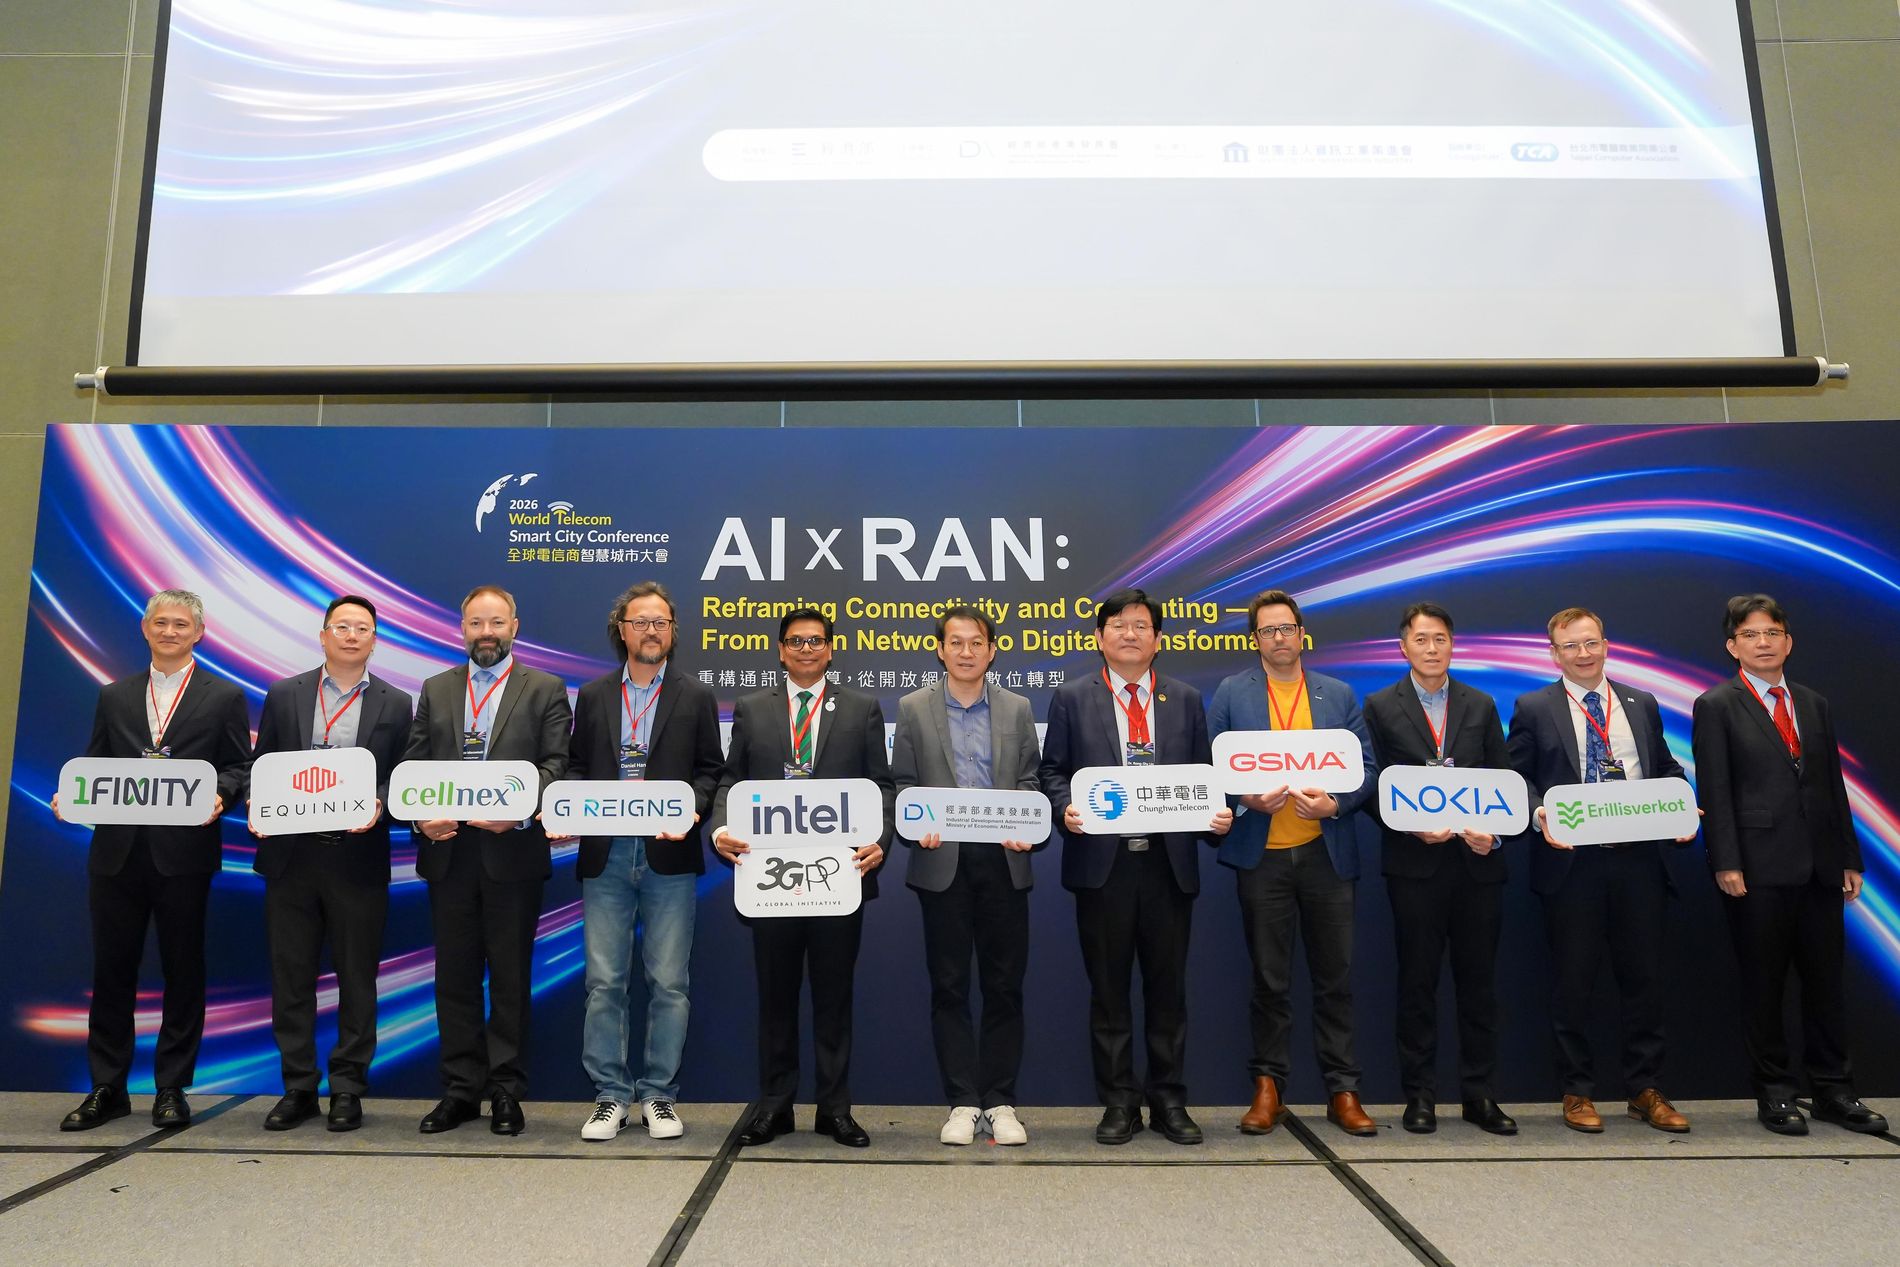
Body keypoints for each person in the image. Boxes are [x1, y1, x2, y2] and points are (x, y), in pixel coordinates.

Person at [1039, 587, 1232, 1146]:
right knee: (1109, 990)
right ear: (1099, 638)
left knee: (1168, 990)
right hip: (1104, 866)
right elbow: (1052, 772)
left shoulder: (1185, 699)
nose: (1130, 633)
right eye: (1118, 625)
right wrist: (1065, 809)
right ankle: (1119, 1101)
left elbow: (1203, 776)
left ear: (1157, 639)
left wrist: (1215, 815)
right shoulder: (1072, 697)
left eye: (1141, 625)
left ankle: (1169, 1100)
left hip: (1168, 865)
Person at [1692, 593, 1887, 1136]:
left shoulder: (1813, 702)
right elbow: (1715, 787)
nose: (1763, 643)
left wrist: (1848, 856)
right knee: (1764, 986)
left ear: (1789, 641)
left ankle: (1834, 1091)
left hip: (1821, 868)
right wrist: (1725, 859)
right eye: (1750, 635)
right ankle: (1775, 1092)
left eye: (1772, 633)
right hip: (1755, 868)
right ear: (1732, 646)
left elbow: (1831, 786)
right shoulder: (1716, 704)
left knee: (1826, 986)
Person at [58, 589, 251, 1131]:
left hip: (185, 855)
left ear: (199, 634)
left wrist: (223, 795)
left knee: (183, 971)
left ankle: (171, 1088)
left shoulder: (224, 696)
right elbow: (94, 765)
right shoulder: (114, 695)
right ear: (145, 629)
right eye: (161, 622)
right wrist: (70, 797)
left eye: (181, 625)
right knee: (111, 971)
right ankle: (107, 1087)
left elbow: (240, 766)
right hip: (116, 855)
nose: (170, 632)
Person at [710, 607, 895, 1148]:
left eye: (816, 641)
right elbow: (731, 781)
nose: (806, 649)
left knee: (834, 997)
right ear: (781, 651)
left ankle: (835, 1110)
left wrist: (880, 839)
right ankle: (775, 1107)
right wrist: (720, 828)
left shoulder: (861, 708)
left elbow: (882, 786)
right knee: (776, 997)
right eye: (796, 641)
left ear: (830, 650)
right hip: (770, 879)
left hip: (838, 879)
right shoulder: (752, 708)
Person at [1506, 606, 1693, 1134]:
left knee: (1644, 981)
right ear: (1554, 654)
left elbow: (1666, 768)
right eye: (1570, 646)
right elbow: (1517, 777)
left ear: (1606, 645)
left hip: (1639, 861)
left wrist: (1681, 806)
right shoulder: (1533, 707)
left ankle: (1645, 1089)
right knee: (1573, 983)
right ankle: (1577, 1090)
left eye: (1591, 643)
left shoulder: (1641, 702)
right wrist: (1540, 813)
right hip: (1572, 865)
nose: (1583, 654)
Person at [1207, 589, 1377, 1138]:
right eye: (1267, 630)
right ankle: (1268, 1088)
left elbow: (1368, 769)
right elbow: (1210, 767)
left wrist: (1336, 804)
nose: (1278, 638)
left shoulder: (1337, 694)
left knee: (1336, 979)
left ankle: (1343, 1089)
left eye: (1286, 628)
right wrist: (1244, 799)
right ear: (1254, 639)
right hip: (1263, 858)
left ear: (1302, 634)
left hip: (1328, 855)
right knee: (1269, 980)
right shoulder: (1232, 693)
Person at [405, 585, 572, 1136]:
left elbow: (556, 765)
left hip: (512, 854)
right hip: (448, 852)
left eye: (496, 622)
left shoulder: (544, 688)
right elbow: (414, 768)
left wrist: (518, 810)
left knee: (509, 978)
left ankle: (505, 1091)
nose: (486, 633)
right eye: (476, 623)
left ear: (514, 627)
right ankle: (459, 1091)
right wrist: (420, 819)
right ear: (462, 629)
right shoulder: (436, 688)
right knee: (453, 978)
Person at [567, 582, 723, 1142]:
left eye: (661, 622)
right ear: (622, 630)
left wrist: (693, 810)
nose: (651, 631)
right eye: (640, 622)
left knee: (669, 983)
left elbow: (711, 771)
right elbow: (576, 769)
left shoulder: (696, 696)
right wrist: (566, 805)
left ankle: (659, 1094)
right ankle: (610, 1095)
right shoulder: (593, 696)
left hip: (669, 855)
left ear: (672, 632)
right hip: (606, 854)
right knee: (604, 983)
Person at [250, 596, 412, 1132]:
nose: (351, 635)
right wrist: (257, 801)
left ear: (374, 640)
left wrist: (381, 802)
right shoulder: (285, 693)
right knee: (291, 979)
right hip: (291, 856)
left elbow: (401, 774)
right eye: (342, 626)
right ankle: (298, 1086)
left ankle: (347, 1087)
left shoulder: (397, 702)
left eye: (362, 628)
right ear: (323, 635)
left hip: (357, 858)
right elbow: (263, 764)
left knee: (357, 980)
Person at [1362, 601, 1516, 1136]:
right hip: (1416, 867)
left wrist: (1494, 833)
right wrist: (1410, 827)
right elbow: (1372, 786)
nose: (1432, 649)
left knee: (1479, 987)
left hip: (1477, 865)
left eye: (1441, 639)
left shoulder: (1481, 703)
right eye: (1421, 640)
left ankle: (1481, 1095)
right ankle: (1420, 1095)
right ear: (1403, 647)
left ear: (1453, 645)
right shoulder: (1380, 706)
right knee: (1417, 984)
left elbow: (1505, 781)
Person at [890, 605, 1042, 1146]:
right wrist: (918, 824)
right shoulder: (913, 708)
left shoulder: (1018, 708)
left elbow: (1030, 781)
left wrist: (1025, 821)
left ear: (992, 651)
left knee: (1004, 986)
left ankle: (1000, 1101)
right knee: (949, 986)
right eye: (955, 642)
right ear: (940, 650)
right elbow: (903, 784)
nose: (966, 651)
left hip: (1003, 862)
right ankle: (961, 1101)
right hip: (943, 864)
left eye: (976, 642)